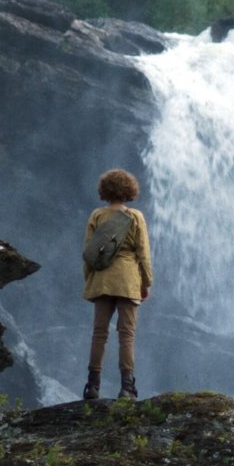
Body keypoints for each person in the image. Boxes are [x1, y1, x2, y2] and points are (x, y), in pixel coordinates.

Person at [82, 168, 153, 400]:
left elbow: (88, 253)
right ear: (129, 191)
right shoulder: (135, 217)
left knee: (99, 333)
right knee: (127, 335)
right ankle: (126, 387)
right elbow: (143, 253)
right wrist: (147, 282)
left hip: (102, 279)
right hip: (128, 280)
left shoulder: (97, 216)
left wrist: (90, 279)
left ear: (105, 190)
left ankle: (92, 386)